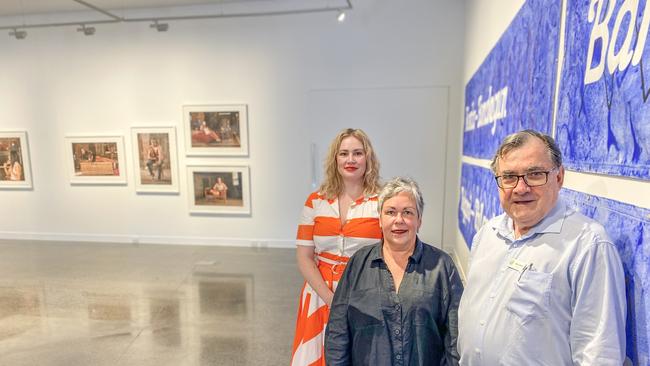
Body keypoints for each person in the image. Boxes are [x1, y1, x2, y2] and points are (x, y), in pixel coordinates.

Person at [457, 130, 626, 365]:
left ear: (559, 177)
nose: (520, 188)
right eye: (509, 177)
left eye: (534, 174)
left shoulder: (587, 245)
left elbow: (599, 354)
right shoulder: (488, 234)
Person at [325, 177, 463, 366]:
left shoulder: (442, 267)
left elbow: (456, 338)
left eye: (407, 212)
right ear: (380, 220)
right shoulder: (358, 264)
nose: (399, 220)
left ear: (419, 220)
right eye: (391, 212)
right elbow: (338, 331)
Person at [291, 128, 382, 366]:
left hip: (364, 294)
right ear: (335, 159)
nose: (350, 160)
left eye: (357, 153)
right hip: (319, 295)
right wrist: (331, 299)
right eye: (343, 154)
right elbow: (304, 257)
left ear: (368, 158)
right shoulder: (315, 201)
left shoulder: (382, 201)